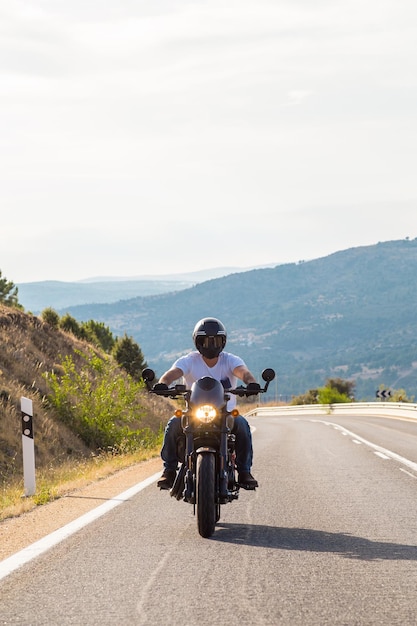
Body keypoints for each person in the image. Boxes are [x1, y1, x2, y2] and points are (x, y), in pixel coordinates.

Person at [154, 317, 261, 490]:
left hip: (225, 415)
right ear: (197, 341)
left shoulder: (230, 360)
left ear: (223, 341)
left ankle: (244, 471)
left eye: (216, 340)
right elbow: (173, 372)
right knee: (174, 424)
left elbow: (243, 372)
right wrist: (163, 383)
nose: (211, 344)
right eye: (205, 340)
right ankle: (169, 470)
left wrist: (251, 382)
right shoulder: (189, 360)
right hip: (194, 414)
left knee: (242, 425)